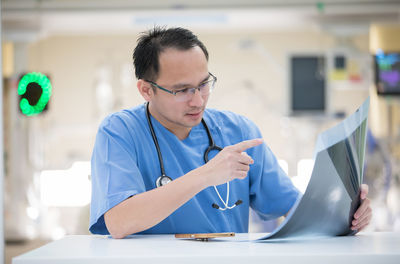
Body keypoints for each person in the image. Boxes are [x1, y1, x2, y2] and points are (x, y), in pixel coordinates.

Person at [89, 27, 372, 239]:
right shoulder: (120, 132)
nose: (198, 100)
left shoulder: (238, 131)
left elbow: (294, 208)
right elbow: (120, 222)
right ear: (146, 90)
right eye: (181, 90)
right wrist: (206, 175)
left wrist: (344, 213)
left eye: (203, 84)